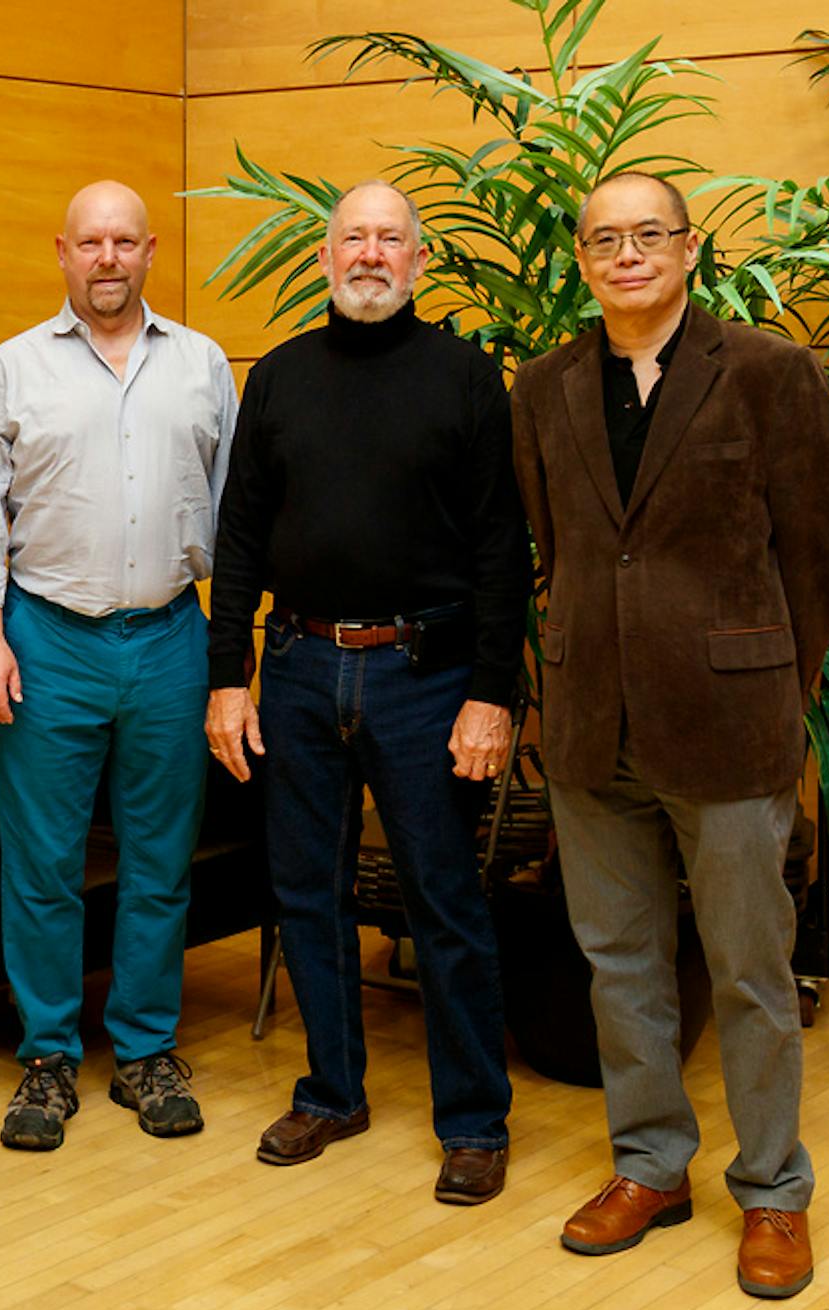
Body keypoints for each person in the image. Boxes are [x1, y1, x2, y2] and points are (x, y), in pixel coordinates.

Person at [511, 171, 829, 1298]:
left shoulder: (766, 373)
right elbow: (558, 548)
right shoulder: (545, 385)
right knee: (617, 963)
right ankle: (650, 1164)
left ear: (687, 247)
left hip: (728, 722)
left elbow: (815, 549)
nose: (624, 254)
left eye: (645, 234)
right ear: (580, 258)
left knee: (751, 970)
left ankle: (771, 1188)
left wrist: (776, 685)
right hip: (587, 721)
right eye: (602, 238)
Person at [205, 181, 529, 1202]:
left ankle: (473, 1120)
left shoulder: (469, 379)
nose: (371, 255)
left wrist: (491, 693)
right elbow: (240, 537)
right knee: (305, 889)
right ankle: (330, 1090)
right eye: (354, 238)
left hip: (422, 679)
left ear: (419, 262)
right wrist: (227, 678)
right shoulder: (280, 377)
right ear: (323, 257)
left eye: (391, 240)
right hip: (297, 667)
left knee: (442, 900)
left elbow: (498, 552)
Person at [0, 180, 237, 1151]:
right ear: (61, 252)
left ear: (150, 250)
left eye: (123, 241)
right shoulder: (11, 368)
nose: (106, 258)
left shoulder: (200, 365)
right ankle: (45, 1056)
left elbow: (232, 511)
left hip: (168, 638)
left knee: (160, 859)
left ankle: (147, 1047)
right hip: (46, 639)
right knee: (41, 865)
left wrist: (230, 657)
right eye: (89, 243)